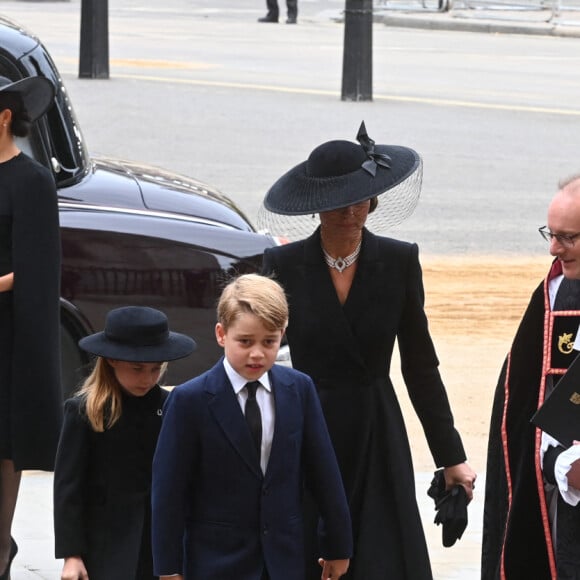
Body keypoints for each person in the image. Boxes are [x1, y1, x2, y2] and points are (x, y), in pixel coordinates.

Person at [258, 122, 476, 580]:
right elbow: (258, 359)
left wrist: (450, 455)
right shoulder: (281, 266)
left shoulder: (399, 261)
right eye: (337, 201)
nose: (351, 210)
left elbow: (420, 365)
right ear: (315, 206)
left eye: (359, 197)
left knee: (382, 558)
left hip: (377, 429)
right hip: (308, 427)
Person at [152, 273, 352, 580]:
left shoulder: (299, 390)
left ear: (282, 335)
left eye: (269, 341)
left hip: (284, 561)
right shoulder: (189, 400)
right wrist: (168, 568)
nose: (257, 353)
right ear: (221, 334)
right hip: (215, 563)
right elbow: (169, 491)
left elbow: (324, 472)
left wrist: (339, 545)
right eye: (245, 341)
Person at [482, 175, 580, 580]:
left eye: (567, 238)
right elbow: (532, 412)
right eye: (551, 234)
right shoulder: (557, 300)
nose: (553, 249)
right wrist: (565, 462)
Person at [53, 306, 196, 580]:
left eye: (156, 369)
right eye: (137, 368)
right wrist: (72, 555)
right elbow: (68, 489)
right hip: (105, 544)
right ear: (111, 360)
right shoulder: (85, 411)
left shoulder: (172, 408)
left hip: (159, 543)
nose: (147, 378)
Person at [0, 75, 60, 579]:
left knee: (3, 442)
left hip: (6, 329)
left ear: (3, 117)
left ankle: (1, 544)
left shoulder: (32, 181)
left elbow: (38, 266)